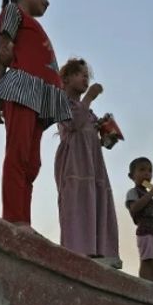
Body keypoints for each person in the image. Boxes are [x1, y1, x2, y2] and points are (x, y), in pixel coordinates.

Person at [0, 0, 70, 229]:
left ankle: (24, 220)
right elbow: (1, 56)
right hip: (23, 89)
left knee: (32, 163)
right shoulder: (13, 11)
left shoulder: (35, 26)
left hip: (41, 98)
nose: (48, 1)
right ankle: (13, 218)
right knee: (18, 154)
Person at [55, 58, 120, 267]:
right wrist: (90, 97)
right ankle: (78, 251)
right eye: (79, 74)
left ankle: (100, 252)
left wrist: (106, 132)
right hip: (75, 165)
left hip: (93, 167)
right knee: (79, 203)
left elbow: (98, 139)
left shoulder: (88, 111)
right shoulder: (62, 102)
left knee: (96, 201)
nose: (85, 78)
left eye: (86, 75)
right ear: (65, 78)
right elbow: (73, 122)